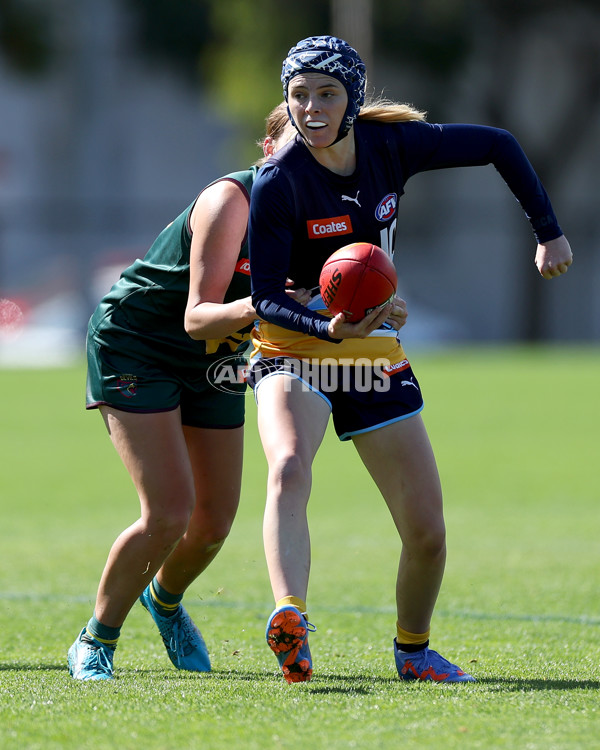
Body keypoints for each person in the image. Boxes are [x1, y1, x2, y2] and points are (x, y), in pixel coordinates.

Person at [247, 35, 573, 684]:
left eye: (327, 94)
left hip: (373, 353)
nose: (311, 108)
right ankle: (290, 615)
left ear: (353, 98)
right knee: (286, 466)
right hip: (295, 350)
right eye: (299, 95)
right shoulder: (277, 181)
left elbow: (498, 145)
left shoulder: (391, 147)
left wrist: (548, 230)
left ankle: (413, 650)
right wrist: (327, 325)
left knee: (427, 532)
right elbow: (263, 302)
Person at [67, 103, 301, 681]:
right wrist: (279, 304)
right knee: (169, 513)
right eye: (295, 146)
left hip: (216, 358)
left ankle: (164, 600)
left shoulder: (319, 220)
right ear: (268, 150)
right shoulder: (232, 201)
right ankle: (96, 639)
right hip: (138, 344)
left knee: (215, 521)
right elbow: (199, 316)